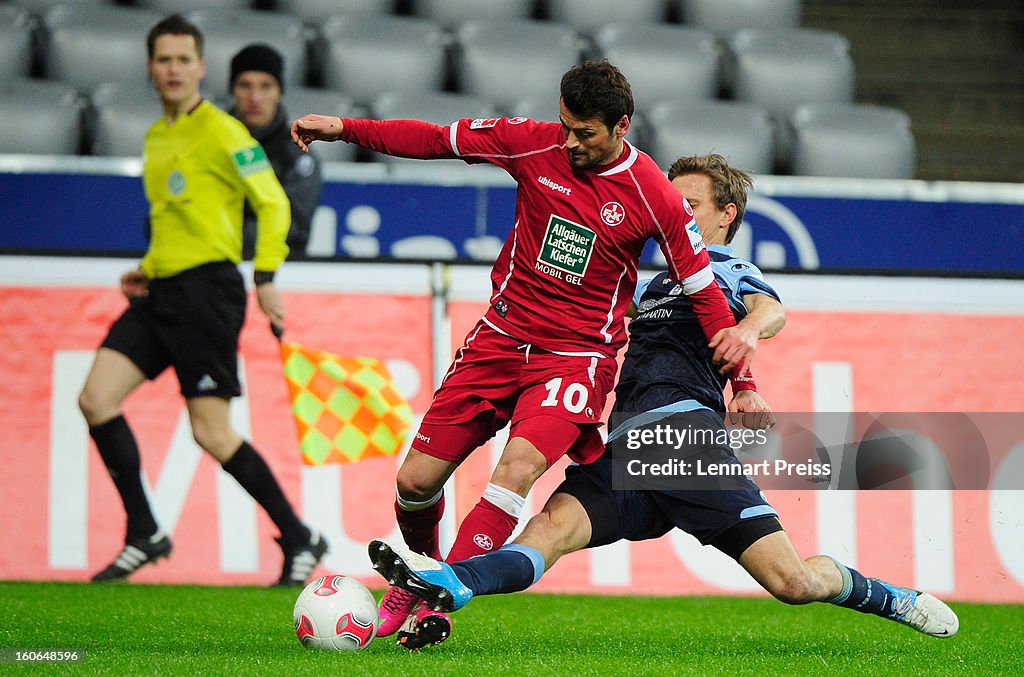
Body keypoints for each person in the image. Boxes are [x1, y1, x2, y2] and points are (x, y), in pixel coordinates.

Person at [368, 153, 960, 645]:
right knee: (546, 532)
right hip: (628, 448)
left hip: (682, 444)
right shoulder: (654, 280)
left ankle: (891, 598)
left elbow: (767, 309)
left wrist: (750, 335)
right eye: (670, 205)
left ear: (727, 215)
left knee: (795, 583)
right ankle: (445, 582)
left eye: (690, 206)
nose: (672, 215)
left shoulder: (725, 267)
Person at [291, 61, 759, 643]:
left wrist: (743, 385)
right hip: (500, 340)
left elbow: (704, 293)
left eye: (584, 133)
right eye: (565, 126)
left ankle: (439, 600)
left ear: (621, 126)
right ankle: (419, 580)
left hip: (576, 358)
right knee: (414, 483)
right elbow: (437, 140)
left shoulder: (653, 194)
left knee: (516, 470)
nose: (570, 142)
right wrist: (346, 128)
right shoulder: (531, 145)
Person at [78, 14, 327, 586]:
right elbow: (177, 218)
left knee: (211, 432)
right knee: (96, 399)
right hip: (163, 290)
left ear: (199, 67)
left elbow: (273, 203)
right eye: (163, 59)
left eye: (182, 59)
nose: (172, 69)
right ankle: (144, 532)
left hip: (208, 294)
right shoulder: (157, 135)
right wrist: (148, 269)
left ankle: (300, 538)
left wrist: (264, 275)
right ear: (151, 67)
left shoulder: (223, 131)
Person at [229, 43, 322, 259]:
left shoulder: (298, 155)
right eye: (245, 85)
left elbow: (293, 230)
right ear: (232, 90)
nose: (255, 97)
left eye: (266, 86)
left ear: (279, 92)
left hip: (280, 271)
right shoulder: (210, 144)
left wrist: (220, 237)